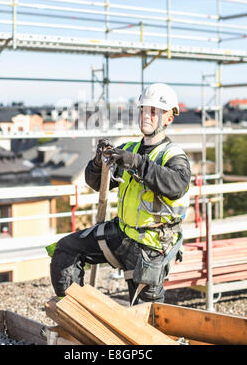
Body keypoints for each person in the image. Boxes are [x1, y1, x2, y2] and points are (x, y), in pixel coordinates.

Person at [49, 83, 191, 304]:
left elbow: (175, 186)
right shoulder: (130, 149)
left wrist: (137, 163)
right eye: (144, 109)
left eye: (154, 111)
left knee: (149, 313)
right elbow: (96, 182)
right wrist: (98, 163)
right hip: (122, 234)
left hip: (150, 246)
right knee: (66, 249)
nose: (146, 115)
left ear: (168, 118)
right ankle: (73, 312)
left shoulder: (173, 155)